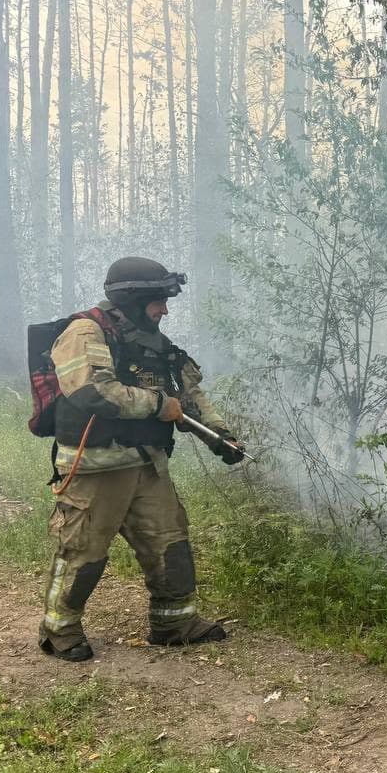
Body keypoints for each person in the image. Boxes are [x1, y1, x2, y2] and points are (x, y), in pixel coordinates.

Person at [38, 257, 247, 662]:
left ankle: (174, 624)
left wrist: (221, 435)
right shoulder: (85, 332)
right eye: (158, 301)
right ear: (132, 299)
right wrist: (156, 405)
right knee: (83, 553)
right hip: (96, 468)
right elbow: (93, 392)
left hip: (148, 466)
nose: (164, 310)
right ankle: (59, 630)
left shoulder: (156, 344)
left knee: (172, 545)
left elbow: (188, 396)